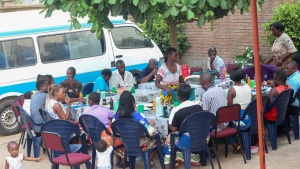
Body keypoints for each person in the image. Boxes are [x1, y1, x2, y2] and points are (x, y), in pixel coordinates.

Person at [200, 72, 241, 153]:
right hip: (226, 123)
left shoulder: (206, 95)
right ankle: (233, 143)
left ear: (203, 83)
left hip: (216, 127)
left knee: (201, 125)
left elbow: (206, 115)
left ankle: (208, 152)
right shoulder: (221, 89)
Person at [164, 84, 203, 167]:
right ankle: (192, 158)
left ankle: (172, 163)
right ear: (190, 95)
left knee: (170, 139)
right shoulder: (198, 106)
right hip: (202, 138)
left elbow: (174, 128)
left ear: (178, 97)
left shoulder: (176, 110)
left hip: (188, 141)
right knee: (181, 134)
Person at [114, 91, 157, 168]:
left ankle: (123, 159)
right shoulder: (137, 116)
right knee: (158, 138)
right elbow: (149, 131)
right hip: (138, 144)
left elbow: (115, 131)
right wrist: (152, 124)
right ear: (133, 103)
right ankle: (148, 162)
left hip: (125, 143)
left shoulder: (117, 116)